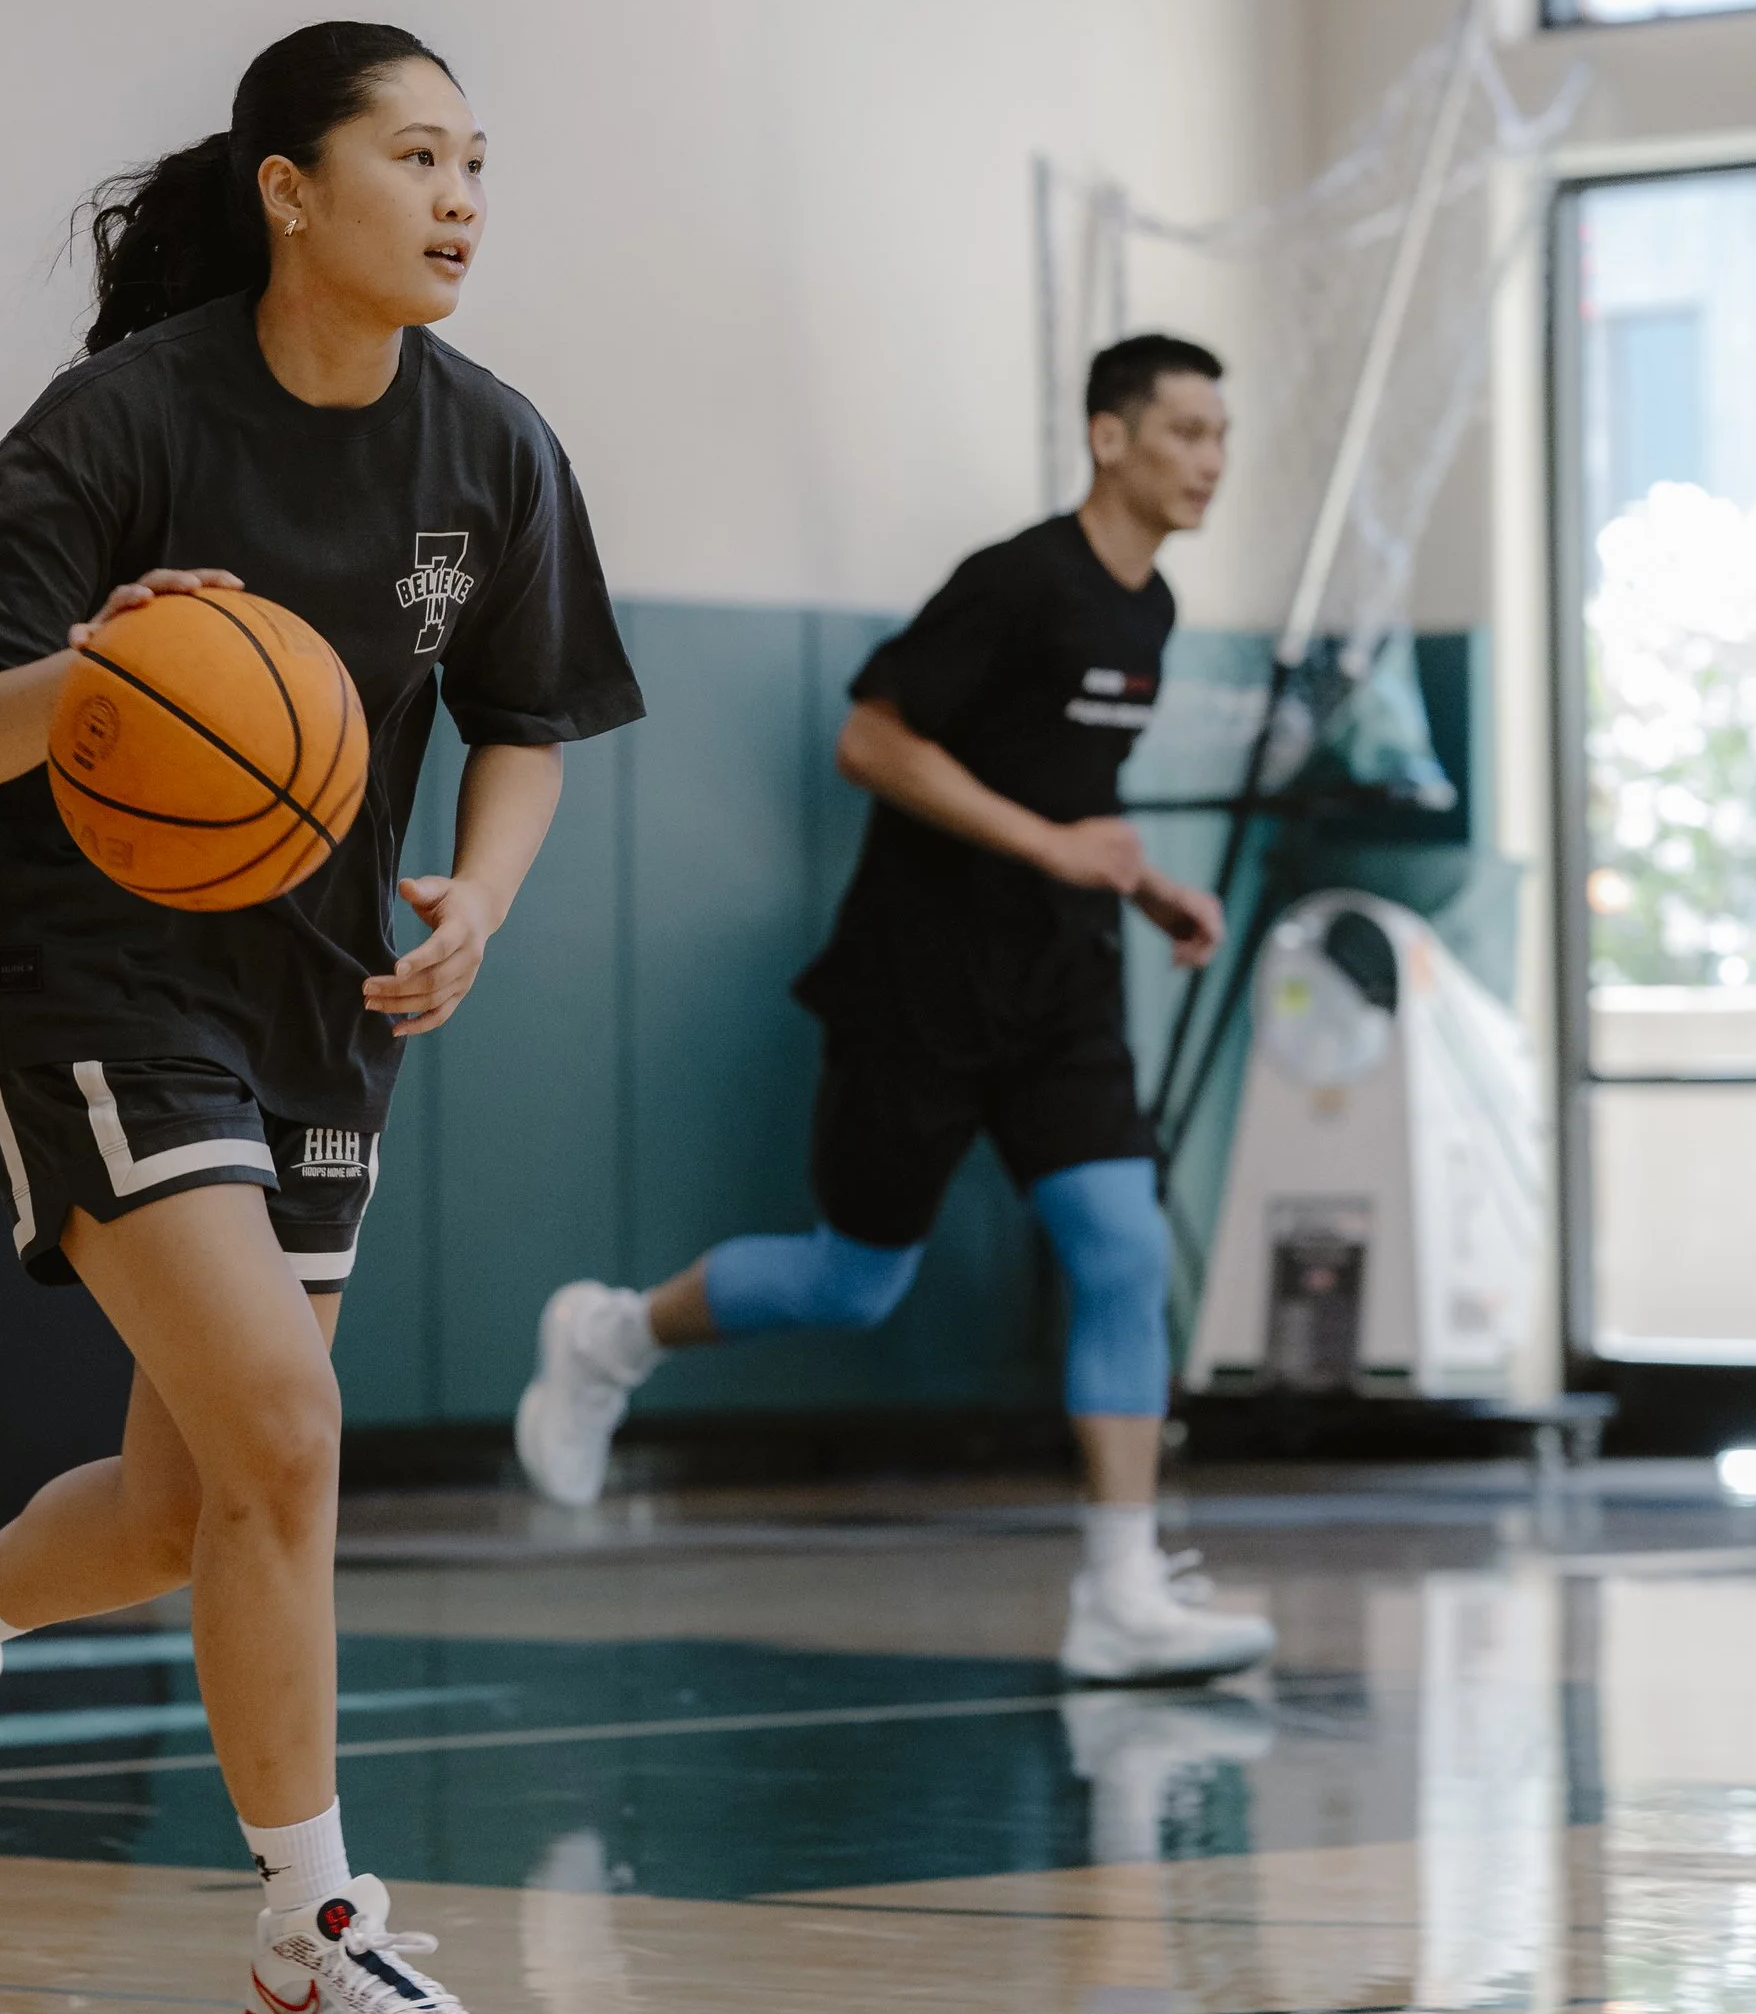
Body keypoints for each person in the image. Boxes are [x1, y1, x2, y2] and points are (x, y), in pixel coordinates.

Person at [0, 22, 644, 2014]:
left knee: (193, 1500)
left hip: (316, 1002)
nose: (460, 197)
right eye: (414, 156)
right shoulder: (124, 419)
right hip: (97, 979)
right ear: (289, 189)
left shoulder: (491, 446)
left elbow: (530, 716)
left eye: (478, 160)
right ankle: (310, 1931)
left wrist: (476, 889)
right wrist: (91, 670)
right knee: (288, 1429)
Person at [514, 333, 1274, 1684]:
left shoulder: (1146, 610)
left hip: (1062, 991)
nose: (1212, 460)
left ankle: (1119, 1591)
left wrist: (1144, 885)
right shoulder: (1017, 582)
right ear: (1111, 438)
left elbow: (1067, 791)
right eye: (1188, 433)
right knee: (855, 1283)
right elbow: (872, 739)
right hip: (922, 985)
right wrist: (1051, 850)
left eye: (1222, 435)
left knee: (1123, 1252)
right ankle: (609, 1336)